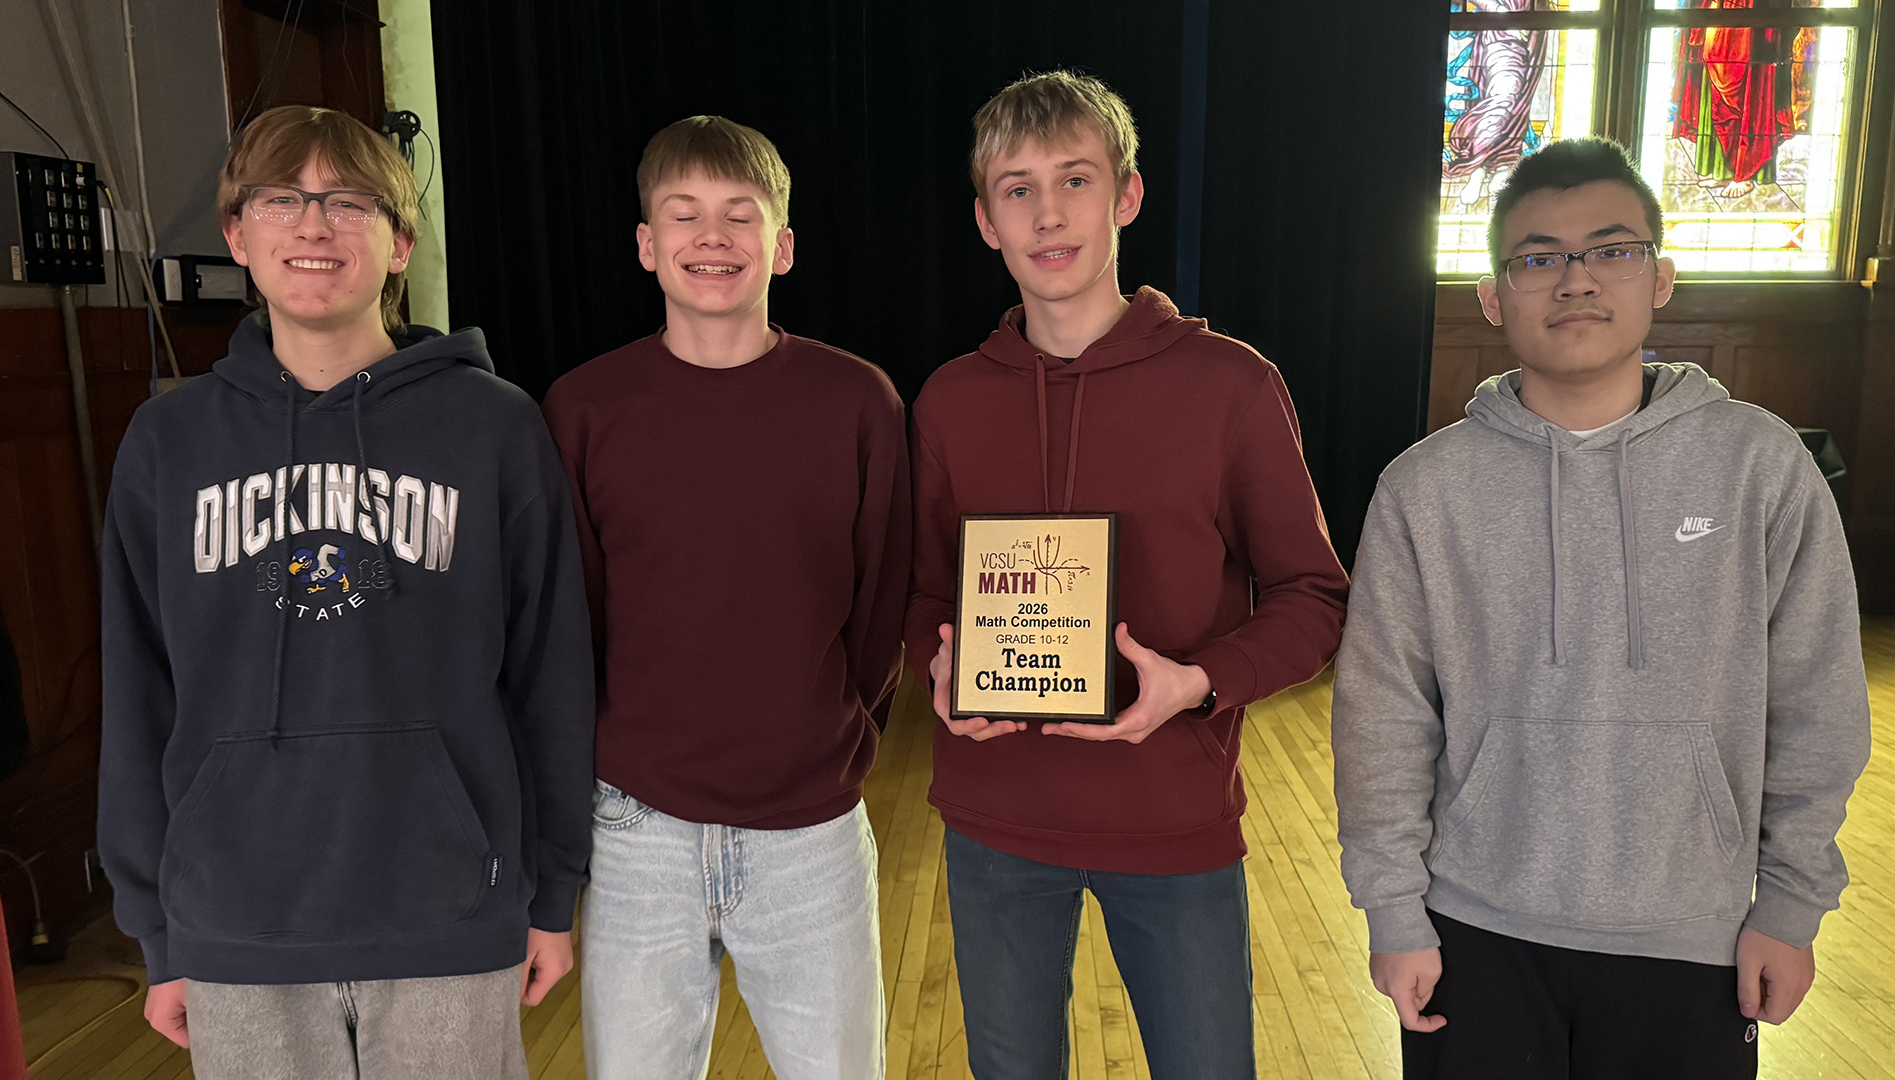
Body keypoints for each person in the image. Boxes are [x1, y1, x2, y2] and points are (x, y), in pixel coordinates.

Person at [1333, 136, 1871, 1080]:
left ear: (1660, 277)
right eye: (1539, 257)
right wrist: (1391, 910)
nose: (1575, 280)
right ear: (1494, 297)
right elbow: (1381, 716)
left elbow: (1819, 701)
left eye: (1611, 250)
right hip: (1475, 931)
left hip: (1693, 936)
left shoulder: (1761, 467)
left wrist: (1789, 906)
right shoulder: (1425, 490)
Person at [98, 105, 594, 1080]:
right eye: (282, 198)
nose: (314, 224)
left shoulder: (495, 429)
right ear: (239, 233)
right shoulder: (168, 446)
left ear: (400, 239)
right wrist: (155, 924)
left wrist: (552, 894)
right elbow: (137, 692)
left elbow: (551, 674)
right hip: (239, 916)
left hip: (449, 907)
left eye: (348, 201)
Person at [903, 71, 1350, 1079]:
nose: (1048, 211)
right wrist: (936, 665)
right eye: (1016, 188)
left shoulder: (1231, 384)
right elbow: (929, 594)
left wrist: (1199, 684)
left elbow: (1314, 598)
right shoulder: (949, 401)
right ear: (984, 221)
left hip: (1171, 819)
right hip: (996, 823)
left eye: (1074, 178)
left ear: (1127, 196)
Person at [541, 115, 911, 1080]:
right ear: (647, 245)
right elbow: (570, 617)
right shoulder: (582, 410)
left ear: (781, 246)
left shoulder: (857, 402)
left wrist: (839, 742)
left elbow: (879, 608)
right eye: (685, 214)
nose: (713, 237)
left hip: (811, 833)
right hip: (636, 833)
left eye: (739, 216)